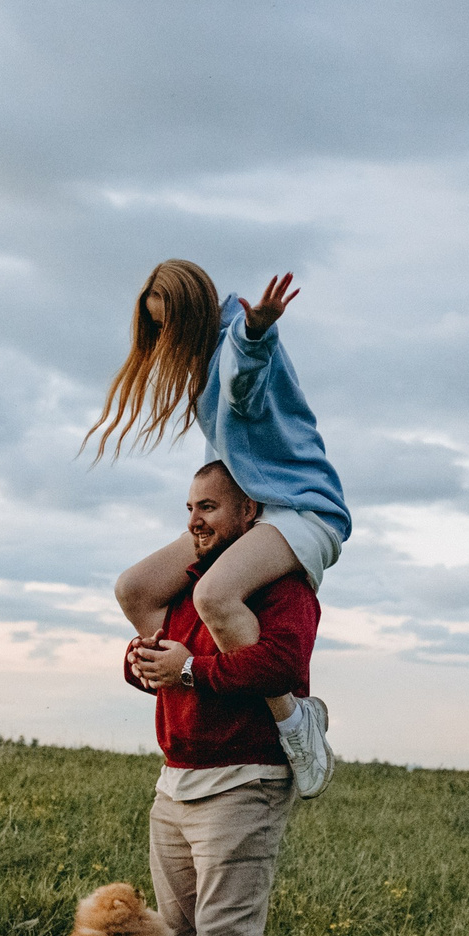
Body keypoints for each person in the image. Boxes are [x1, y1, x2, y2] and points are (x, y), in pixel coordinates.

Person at [88, 258, 345, 797]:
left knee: (216, 593)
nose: (162, 337)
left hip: (300, 510)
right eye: (154, 327)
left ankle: (295, 722)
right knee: (134, 588)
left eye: (167, 324)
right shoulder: (204, 360)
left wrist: (256, 331)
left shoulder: (234, 342)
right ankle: (186, 687)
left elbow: (244, 379)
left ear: (193, 311)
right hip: (247, 509)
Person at [123, 461, 316, 936]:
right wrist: (143, 663)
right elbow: (158, 648)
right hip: (175, 779)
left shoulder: (280, 586)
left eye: (209, 506)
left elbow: (284, 663)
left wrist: (194, 671)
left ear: (250, 514)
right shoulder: (195, 582)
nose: (193, 519)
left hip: (245, 779)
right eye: (189, 506)